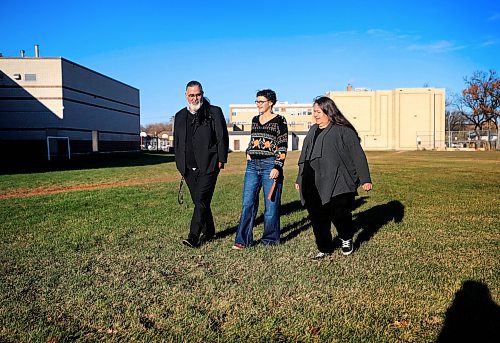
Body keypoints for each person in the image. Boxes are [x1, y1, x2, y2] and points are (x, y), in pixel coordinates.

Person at [295, 96, 372, 259]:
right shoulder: (312, 131)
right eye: (313, 111)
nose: (314, 115)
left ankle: (346, 238)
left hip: (338, 179)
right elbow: (305, 156)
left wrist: (365, 178)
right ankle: (324, 247)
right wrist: (299, 178)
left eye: (318, 111)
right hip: (312, 179)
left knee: (339, 213)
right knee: (317, 216)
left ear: (328, 111)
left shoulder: (343, 131)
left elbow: (357, 155)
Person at [174, 80, 229, 248]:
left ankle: (193, 236)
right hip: (188, 168)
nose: (195, 98)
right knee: (200, 201)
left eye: (198, 94)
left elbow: (222, 137)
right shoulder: (180, 115)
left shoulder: (214, 112)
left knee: (201, 200)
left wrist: (221, 159)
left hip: (210, 164)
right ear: (186, 96)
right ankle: (210, 230)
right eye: (191, 95)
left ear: (202, 94)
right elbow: (177, 142)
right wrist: (180, 165)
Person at [233, 89, 288, 249]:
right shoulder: (255, 119)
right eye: (256, 101)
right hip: (252, 166)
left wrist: (278, 166)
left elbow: (283, 145)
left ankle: (270, 240)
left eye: (261, 101)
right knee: (247, 203)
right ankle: (242, 240)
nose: (258, 104)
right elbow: (254, 140)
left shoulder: (280, 120)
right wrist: (248, 153)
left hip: (270, 165)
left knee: (271, 206)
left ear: (270, 102)